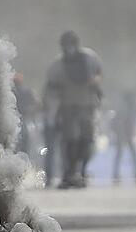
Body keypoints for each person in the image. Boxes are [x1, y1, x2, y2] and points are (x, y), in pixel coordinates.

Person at [43, 31, 103, 189]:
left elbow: (99, 75)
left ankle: (81, 172)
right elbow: (51, 88)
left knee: (86, 141)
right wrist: (51, 111)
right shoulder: (58, 65)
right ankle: (69, 173)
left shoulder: (90, 58)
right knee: (69, 142)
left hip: (87, 106)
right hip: (68, 107)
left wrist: (95, 86)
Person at [111, 90, 136, 183]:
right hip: (126, 133)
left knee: (120, 153)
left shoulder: (121, 108)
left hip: (123, 134)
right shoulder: (130, 109)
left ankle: (116, 172)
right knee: (132, 153)